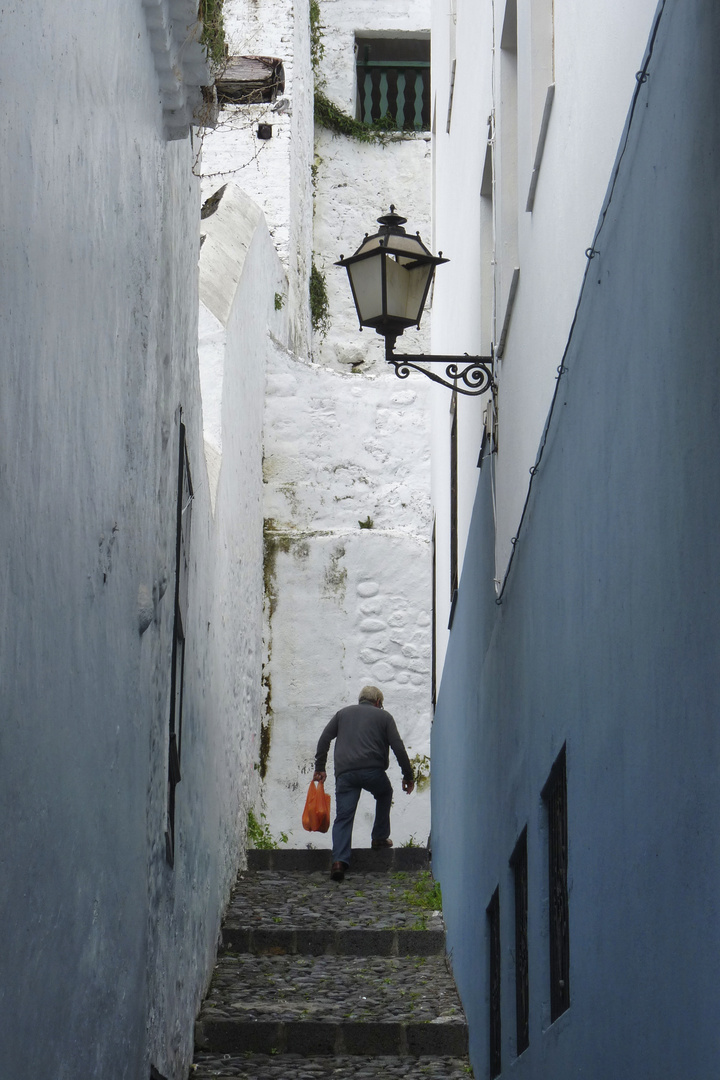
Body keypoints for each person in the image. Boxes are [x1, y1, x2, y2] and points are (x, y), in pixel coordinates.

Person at [313, 685, 415, 882]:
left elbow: (324, 738)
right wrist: (407, 776)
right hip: (372, 771)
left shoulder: (342, 714)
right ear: (378, 702)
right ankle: (379, 838)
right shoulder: (384, 717)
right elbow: (398, 748)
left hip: (345, 774)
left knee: (344, 816)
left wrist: (320, 767)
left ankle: (339, 862)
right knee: (384, 793)